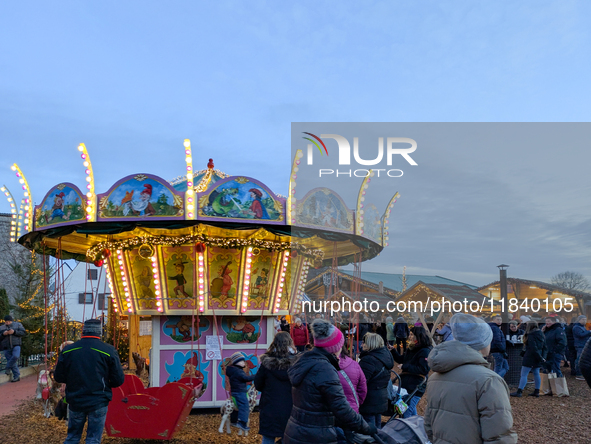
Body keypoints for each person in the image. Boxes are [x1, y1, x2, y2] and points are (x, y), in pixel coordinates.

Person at [424, 313, 518, 444]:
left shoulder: (435, 377)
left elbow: (429, 425)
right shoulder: (488, 381)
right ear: (483, 343)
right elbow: (499, 435)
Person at [284, 319, 376, 444]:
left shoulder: (305, 362)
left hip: (297, 430)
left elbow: (317, 404)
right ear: (334, 347)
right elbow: (341, 407)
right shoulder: (325, 369)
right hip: (316, 436)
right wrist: (366, 427)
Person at [54, 319, 125, 444]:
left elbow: (59, 377)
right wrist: (106, 384)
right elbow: (118, 380)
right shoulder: (108, 350)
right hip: (98, 400)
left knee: (72, 437)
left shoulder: (69, 350)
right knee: (93, 439)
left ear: (83, 331)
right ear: (100, 332)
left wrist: (71, 380)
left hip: (75, 399)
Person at [255, 332, 298, 444]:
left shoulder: (266, 363)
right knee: (288, 438)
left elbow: (258, 384)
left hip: (270, 406)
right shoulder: (296, 363)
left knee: (268, 437)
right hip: (291, 406)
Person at [389, 326, 432, 417]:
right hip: (407, 386)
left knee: (405, 413)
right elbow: (402, 359)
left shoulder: (424, 351)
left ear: (418, 336)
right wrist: (393, 351)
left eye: (412, 334)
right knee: (410, 412)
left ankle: (408, 429)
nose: (409, 336)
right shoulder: (411, 348)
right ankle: (416, 428)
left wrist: (406, 366)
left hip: (416, 386)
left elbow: (424, 369)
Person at [359, 332, 394, 429]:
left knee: (369, 428)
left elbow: (361, 381)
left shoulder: (369, 360)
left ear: (370, 344)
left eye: (364, 342)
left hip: (369, 399)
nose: (362, 345)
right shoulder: (385, 356)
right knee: (377, 425)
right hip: (381, 397)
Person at [335, 345, 367, 444]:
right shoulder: (354, 364)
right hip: (351, 410)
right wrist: (356, 403)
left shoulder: (325, 366)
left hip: (332, 411)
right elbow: (363, 388)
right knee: (349, 437)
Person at [510, 320, 547, 397]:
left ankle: (519, 391)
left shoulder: (530, 335)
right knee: (536, 373)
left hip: (530, 356)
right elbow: (544, 347)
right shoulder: (541, 334)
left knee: (524, 374)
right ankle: (537, 391)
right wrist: (542, 357)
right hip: (538, 356)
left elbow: (533, 347)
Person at [225, 351, 256, 432]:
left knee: (236, 407)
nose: (244, 362)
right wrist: (256, 376)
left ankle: (233, 421)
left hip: (235, 391)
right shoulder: (238, 371)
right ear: (236, 362)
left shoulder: (232, 370)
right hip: (239, 391)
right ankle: (242, 422)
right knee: (244, 405)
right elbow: (246, 378)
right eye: (242, 361)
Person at [0, 315, 26, 382]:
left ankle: (7, 367)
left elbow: (23, 333)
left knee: (15, 356)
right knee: (12, 362)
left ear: (11, 321)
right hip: (6, 346)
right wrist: (3, 334)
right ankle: (16, 376)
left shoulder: (18, 325)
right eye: (6, 322)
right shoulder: (1, 327)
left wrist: (14, 332)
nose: (8, 323)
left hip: (16, 345)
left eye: (9, 321)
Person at [573, 315, 591, 381]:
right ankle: (579, 374)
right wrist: (589, 332)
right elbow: (581, 335)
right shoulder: (576, 327)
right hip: (579, 345)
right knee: (579, 360)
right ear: (579, 320)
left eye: (585, 319)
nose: (584, 321)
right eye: (583, 319)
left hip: (583, 344)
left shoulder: (582, 327)